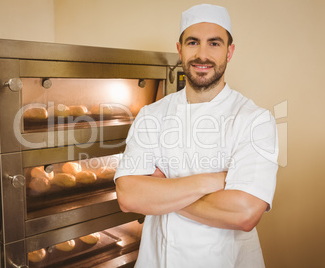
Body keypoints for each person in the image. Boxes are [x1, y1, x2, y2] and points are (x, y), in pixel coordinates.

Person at [114, 4, 278, 268]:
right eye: (193, 42)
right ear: (180, 50)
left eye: (214, 43)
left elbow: (245, 213)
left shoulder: (255, 120)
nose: (202, 54)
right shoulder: (151, 115)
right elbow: (128, 197)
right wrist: (214, 181)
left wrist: (162, 193)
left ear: (229, 51)